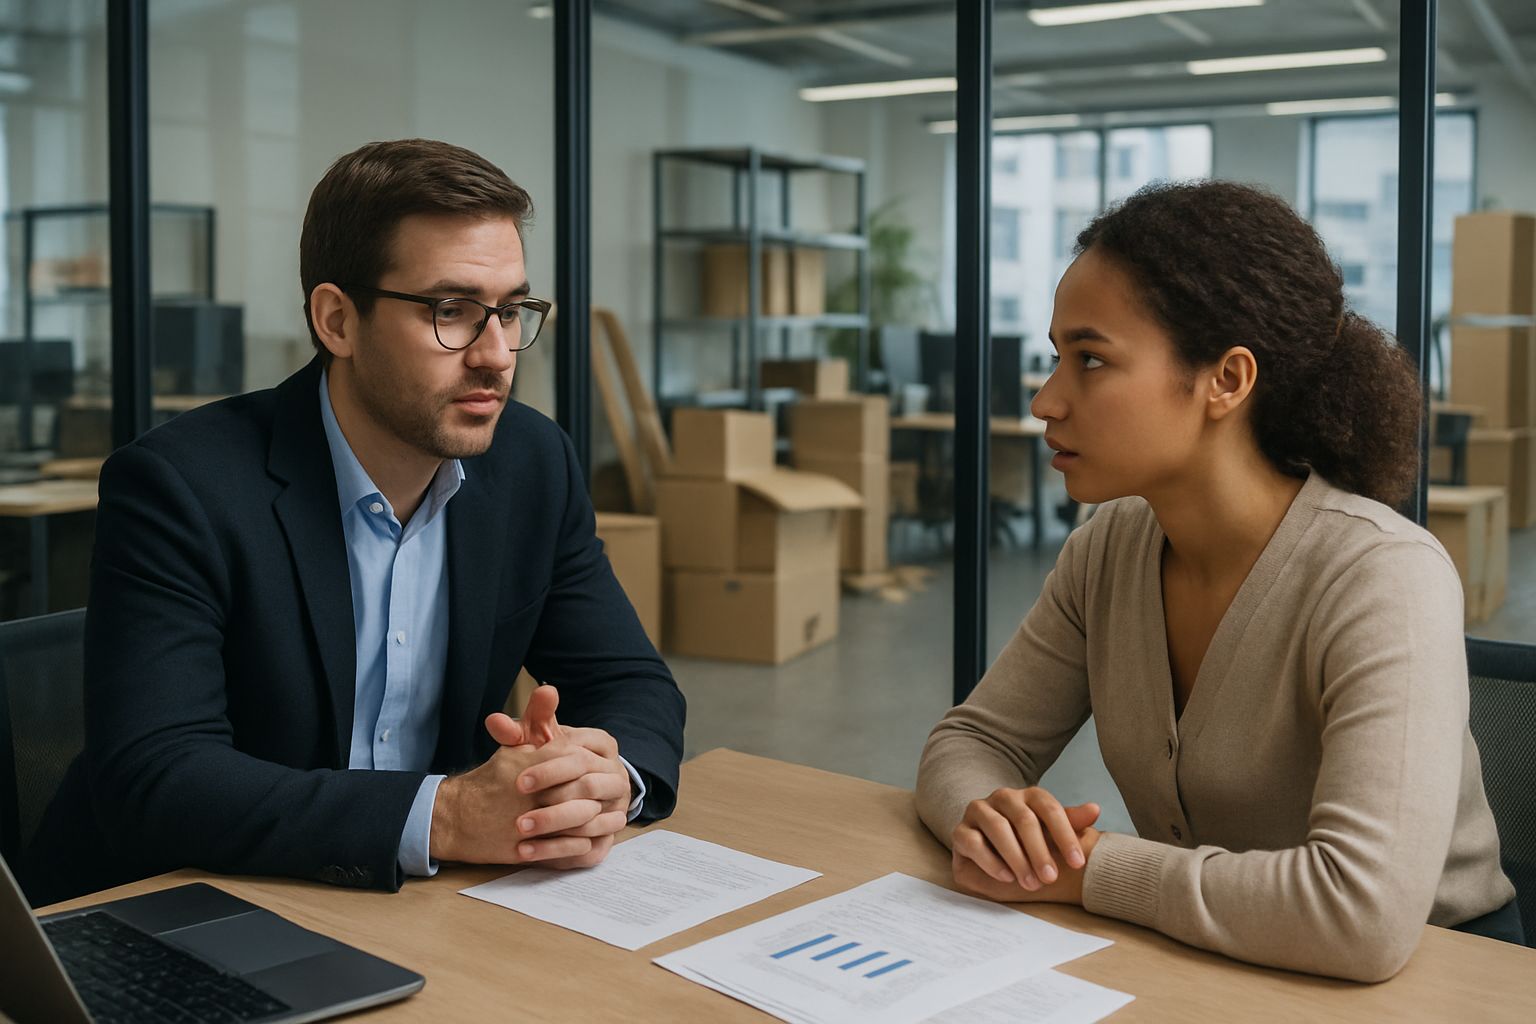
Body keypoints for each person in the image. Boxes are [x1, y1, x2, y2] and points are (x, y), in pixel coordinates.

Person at [25, 139, 685, 905]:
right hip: (175, 905)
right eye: (452, 312)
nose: (498, 355)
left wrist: (606, 779)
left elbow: (630, 682)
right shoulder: (181, 486)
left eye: (510, 311)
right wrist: (444, 817)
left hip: (416, 907)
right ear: (337, 320)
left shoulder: (533, 463)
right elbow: (158, 777)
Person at [915, 180, 1520, 982]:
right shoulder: (1107, 551)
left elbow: (1361, 913)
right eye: (1055, 356)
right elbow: (972, 742)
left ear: (1227, 381)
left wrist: (1086, 870)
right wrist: (996, 824)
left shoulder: (1383, 577)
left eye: (1090, 359)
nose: (1044, 400)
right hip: (1220, 957)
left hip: (1440, 979)